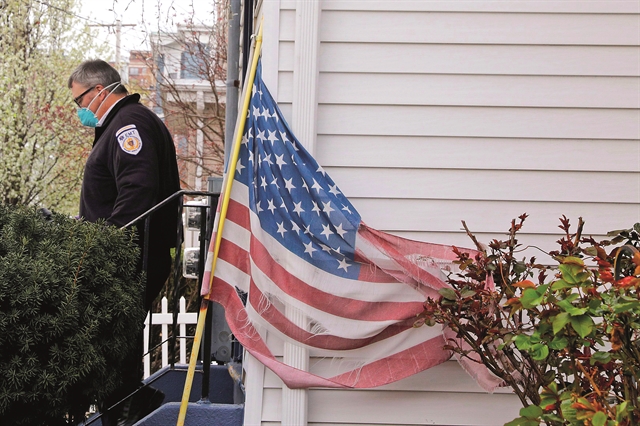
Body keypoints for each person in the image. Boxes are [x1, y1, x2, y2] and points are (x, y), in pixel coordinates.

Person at [68, 59, 180, 425]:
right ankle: (130, 403)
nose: (80, 111)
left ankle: (127, 408)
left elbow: (137, 190)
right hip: (134, 253)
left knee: (114, 337)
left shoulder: (128, 124)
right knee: (118, 336)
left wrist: (107, 245)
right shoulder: (126, 121)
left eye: (79, 102)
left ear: (98, 91)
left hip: (129, 256)